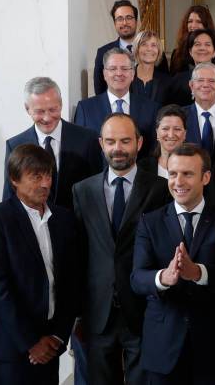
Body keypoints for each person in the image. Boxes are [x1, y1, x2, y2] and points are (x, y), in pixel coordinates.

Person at [131, 144, 215, 383]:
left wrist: (198, 273)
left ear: (206, 177)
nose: (178, 181)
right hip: (163, 348)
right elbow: (137, 278)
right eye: (173, 174)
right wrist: (164, 278)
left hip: (214, 348)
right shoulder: (149, 222)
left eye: (188, 174)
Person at [72, 113, 170, 385]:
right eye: (111, 141)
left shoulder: (161, 189)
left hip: (142, 310)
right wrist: (77, 313)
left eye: (125, 141)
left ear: (139, 143)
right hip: (97, 312)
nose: (118, 148)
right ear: (101, 144)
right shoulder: (82, 191)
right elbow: (78, 256)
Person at [0, 144, 78, 384]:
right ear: (14, 179)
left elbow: (71, 281)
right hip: (11, 349)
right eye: (36, 176)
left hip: (51, 345)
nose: (45, 183)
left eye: (48, 175)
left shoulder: (63, 218)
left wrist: (58, 335)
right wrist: (31, 342)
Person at [3, 77, 103, 209]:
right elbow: (10, 197)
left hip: (77, 224)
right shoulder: (15, 145)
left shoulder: (88, 139)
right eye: (40, 111)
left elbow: (97, 189)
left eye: (52, 110)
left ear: (60, 104)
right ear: (27, 109)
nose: (47, 118)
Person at [74, 48, 160, 157]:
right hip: (98, 173)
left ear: (133, 74)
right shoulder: (85, 109)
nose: (119, 73)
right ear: (105, 74)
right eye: (113, 69)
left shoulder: (151, 109)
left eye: (124, 69)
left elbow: (153, 150)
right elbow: (80, 149)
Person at [93, 0, 168, 95]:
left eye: (129, 18)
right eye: (120, 19)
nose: (125, 23)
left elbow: (165, 84)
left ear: (136, 21)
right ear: (115, 23)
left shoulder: (153, 51)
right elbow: (100, 91)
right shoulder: (103, 52)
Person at [168, 29, 215, 108]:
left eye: (207, 44)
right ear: (190, 51)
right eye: (197, 44)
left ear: (214, 52)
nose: (202, 48)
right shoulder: (178, 81)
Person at [170, 5, 215, 75]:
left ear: (206, 25)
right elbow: (174, 81)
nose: (193, 25)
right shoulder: (177, 53)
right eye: (190, 21)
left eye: (198, 21)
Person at [138, 104, 188, 179]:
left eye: (177, 129)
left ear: (184, 134)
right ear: (157, 133)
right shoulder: (142, 168)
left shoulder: (196, 166)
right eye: (165, 128)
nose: (171, 135)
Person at [130, 30, 171, 105]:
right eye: (144, 44)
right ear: (137, 49)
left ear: (158, 51)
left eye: (153, 45)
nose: (149, 49)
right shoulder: (127, 77)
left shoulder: (167, 81)